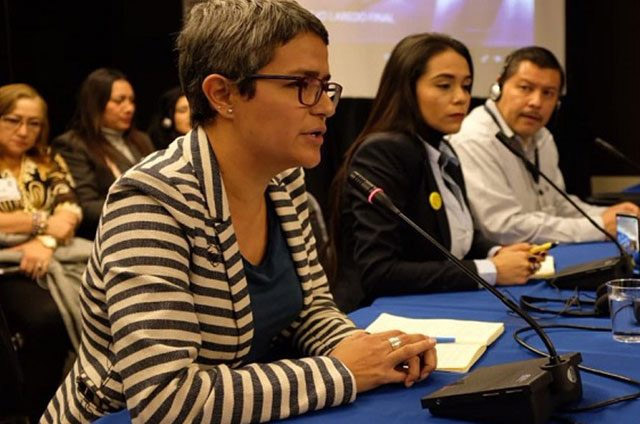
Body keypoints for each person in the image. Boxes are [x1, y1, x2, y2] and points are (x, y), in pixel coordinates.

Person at [42, 1, 436, 423]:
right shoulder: (150, 201)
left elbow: (309, 310)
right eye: (302, 84)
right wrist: (342, 371)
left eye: (325, 86)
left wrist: (372, 351)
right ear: (222, 94)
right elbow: (165, 399)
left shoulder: (284, 179)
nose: (326, 106)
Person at [328, 33, 540, 313]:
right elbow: (379, 272)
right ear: (407, 89)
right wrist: (491, 269)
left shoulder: (442, 149)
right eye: (444, 85)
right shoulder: (383, 152)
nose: (461, 98)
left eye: (466, 86)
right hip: (375, 315)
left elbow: (456, 235)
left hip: (433, 306)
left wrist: (496, 252)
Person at [449, 46, 640, 245]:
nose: (536, 102)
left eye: (548, 93)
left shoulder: (542, 137)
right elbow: (503, 227)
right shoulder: (475, 138)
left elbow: (558, 206)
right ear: (499, 87)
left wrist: (614, 216)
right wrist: (600, 226)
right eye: (525, 88)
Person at [0, 83, 84, 422]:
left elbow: (70, 211)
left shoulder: (47, 160)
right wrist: (40, 221)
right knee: (46, 319)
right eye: (13, 120)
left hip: (50, 256)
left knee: (96, 303)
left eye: (33, 123)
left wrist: (43, 242)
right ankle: (32, 410)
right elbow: (54, 218)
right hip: (6, 265)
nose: (24, 131)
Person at [52, 68, 154, 240]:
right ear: (96, 103)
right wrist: (140, 209)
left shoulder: (142, 140)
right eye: (119, 100)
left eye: (131, 100)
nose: (129, 108)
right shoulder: (73, 144)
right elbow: (87, 206)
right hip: (109, 235)